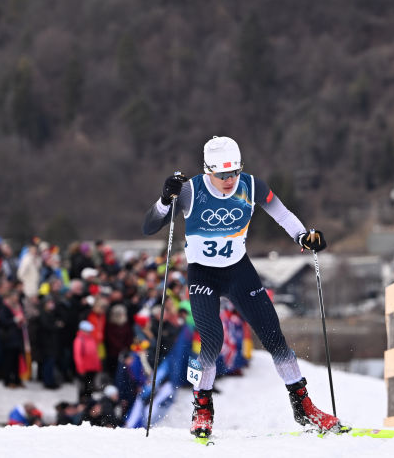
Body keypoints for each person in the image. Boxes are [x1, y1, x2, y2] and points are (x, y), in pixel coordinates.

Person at [143, 135, 342, 438]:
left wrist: (304, 236)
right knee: (212, 340)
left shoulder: (251, 186)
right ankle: (202, 407)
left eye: (234, 172)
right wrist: (163, 200)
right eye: (222, 174)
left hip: (238, 271)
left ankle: (303, 406)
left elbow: (282, 214)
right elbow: (149, 226)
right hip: (203, 275)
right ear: (208, 171)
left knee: (274, 337)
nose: (229, 180)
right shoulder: (190, 191)